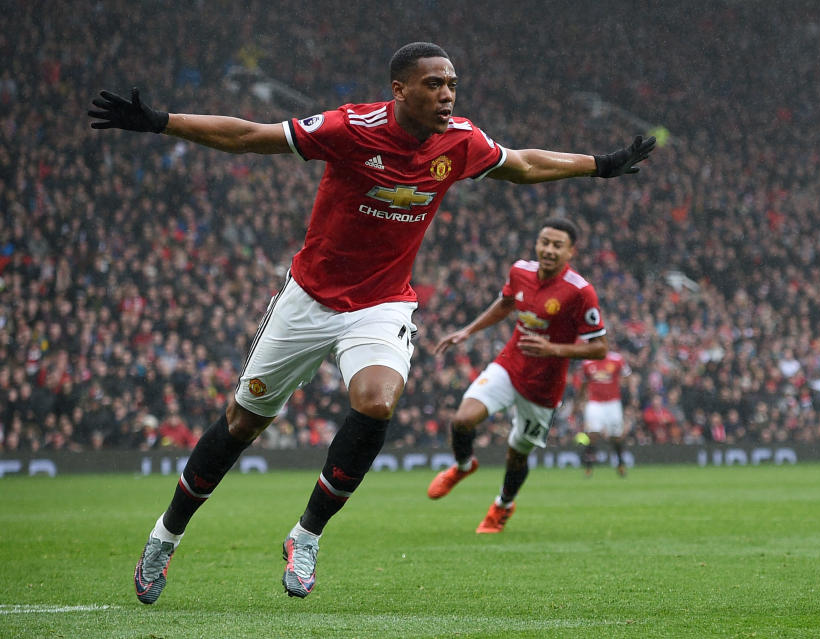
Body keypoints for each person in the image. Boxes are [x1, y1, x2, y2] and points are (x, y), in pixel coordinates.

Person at [88, 42, 654, 603]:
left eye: (452, 84)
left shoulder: (460, 141)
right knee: (241, 423)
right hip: (308, 299)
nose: (447, 94)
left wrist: (600, 166)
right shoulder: (349, 128)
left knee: (378, 401)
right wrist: (161, 122)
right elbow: (249, 136)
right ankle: (164, 538)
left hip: (382, 305)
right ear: (400, 90)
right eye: (434, 84)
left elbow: (525, 165)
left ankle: (305, 536)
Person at [427, 218, 608, 533]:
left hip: (544, 387)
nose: (549, 250)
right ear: (537, 244)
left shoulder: (581, 292)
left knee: (517, 455)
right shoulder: (520, 271)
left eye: (557, 245)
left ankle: (503, 505)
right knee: (462, 420)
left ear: (570, 252)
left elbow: (600, 348)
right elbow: (506, 303)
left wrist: (552, 349)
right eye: (545, 242)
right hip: (510, 364)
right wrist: (468, 330)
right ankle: (464, 465)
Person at [575, 350, 631, 476]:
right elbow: (584, 383)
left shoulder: (617, 359)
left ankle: (620, 464)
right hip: (595, 403)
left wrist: (628, 391)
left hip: (613, 403)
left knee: (616, 436)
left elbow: (627, 375)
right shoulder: (587, 362)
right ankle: (589, 467)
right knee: (592, 434)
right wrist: (580, 400)